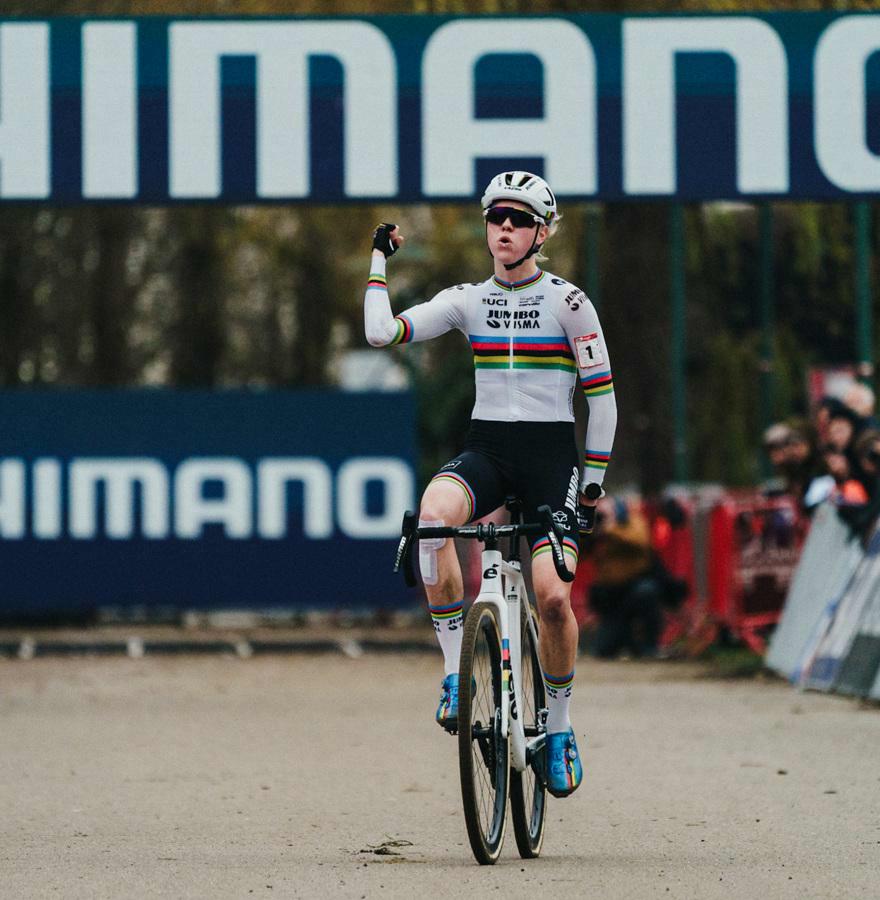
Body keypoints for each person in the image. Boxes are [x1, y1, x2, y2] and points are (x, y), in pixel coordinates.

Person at [364, 171, 617, 798]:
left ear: (543, 232)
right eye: (496, 217)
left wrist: (590, 487)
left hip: (550, 458)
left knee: (553, 598)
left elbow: (603, 403)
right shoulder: (467, 301)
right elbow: (381, 333)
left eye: (519, 219)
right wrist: (377, 260)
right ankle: (456, 673)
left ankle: (557, 728)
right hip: (487, 450)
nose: (504, 228)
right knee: (431, 517)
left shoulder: (570, 304)